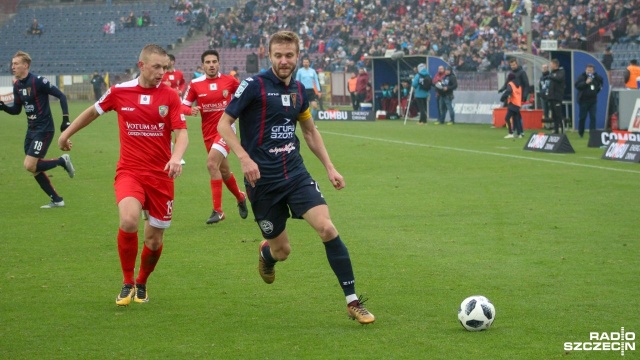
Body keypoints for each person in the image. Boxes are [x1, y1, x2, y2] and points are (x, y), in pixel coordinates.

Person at [217, 30, 375, 325]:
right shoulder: (253, 85)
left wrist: (330, 167)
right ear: (269, 55)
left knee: (327, 228)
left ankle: (352, 301)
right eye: (278, 55)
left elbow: (310, 132)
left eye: (289, 55)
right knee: (283, 250)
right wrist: (244, 157)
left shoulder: (299, 90)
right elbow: (224, 125)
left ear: (297, 56)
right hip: (262, 182)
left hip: (296, 175)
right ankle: (267, 255)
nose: (284, 61)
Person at [57, 44, 189, 306]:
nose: (162, 72)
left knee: (154, 238)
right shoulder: (120, 91)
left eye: (165, 67)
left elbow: (181, 133)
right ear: (141, 66)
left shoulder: (170, 96)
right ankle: (127, 281)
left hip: (161, 176)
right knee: (129, 220)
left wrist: (175, 157)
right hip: (130, 171)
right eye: (156, 67)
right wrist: (66, 133)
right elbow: (93, 111)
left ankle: (142, 282)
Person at [0, 51, 75, 209]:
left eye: (16, 64)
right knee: (34, 168)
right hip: (31, 130)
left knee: (29, 164)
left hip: (44, 129)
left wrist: (66, 119)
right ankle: (57, 200)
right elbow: (16, 110)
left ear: (25, 65)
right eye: (12, 64)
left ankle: (63, 160)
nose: (12, 66)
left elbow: (61, 96)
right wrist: (4, 108)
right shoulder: (17, 85)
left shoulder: (38, 81)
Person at [181, 49, 248, 224]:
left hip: (226, 129)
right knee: (223, 171)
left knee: (211, 164)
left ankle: (218, 211)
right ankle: (240, 197)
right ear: (202, 65)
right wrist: (191, 110)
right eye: (208, 62)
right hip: (208, 133)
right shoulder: (195, 84)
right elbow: (183, 106)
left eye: (214, 62)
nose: (211, 65)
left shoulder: (230, 81)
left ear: (219, 63)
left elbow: (246, 96)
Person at [574, 64, 603, 138]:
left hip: (593, 101)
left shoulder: (596, 77)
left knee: (593, 117)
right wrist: (586, 83)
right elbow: (577, 86)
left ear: (593, 71)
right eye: (588, 70)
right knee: (582, 117)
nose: (589, 72)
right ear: (585, 70)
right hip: (583, 100)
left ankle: (592, 134)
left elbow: (601, 84)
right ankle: (581, 133)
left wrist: (596, 90)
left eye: (591, 70)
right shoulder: (581, 77)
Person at [500, 73, 523, 138]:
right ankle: (519, 134)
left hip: (513, 103)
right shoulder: (519, 85)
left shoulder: (510, 84)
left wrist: (503, 98)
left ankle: (510, 133)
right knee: (516, 119)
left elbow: (509, 91)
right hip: (518, 103)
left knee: (507, 118)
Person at [547, 59, 566, 134]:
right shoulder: (552, 73)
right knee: (554, 115)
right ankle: (556, 130)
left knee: (559, 114)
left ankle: (562, 129)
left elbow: (558, 78)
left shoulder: (561, 72)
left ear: (555, 65)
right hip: (551, 97)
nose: (550, 65)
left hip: (557, 97)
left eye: (551, 64)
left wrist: (550, 76)